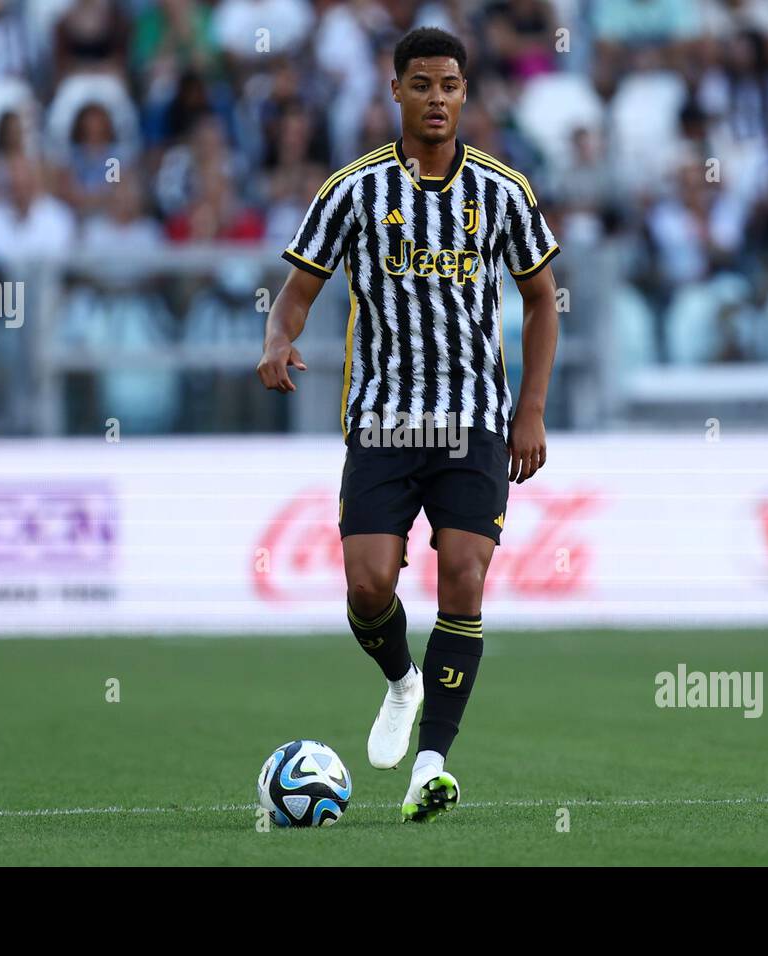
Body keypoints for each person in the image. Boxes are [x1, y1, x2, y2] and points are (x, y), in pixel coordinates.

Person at [256, 26, 561, 822]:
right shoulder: (354, 190)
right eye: (421, 84)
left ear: (467, 94)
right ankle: (401, 680)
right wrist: (278, 338)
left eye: (450, 86)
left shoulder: (502, 191)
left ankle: (431, 765)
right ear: (396, 91)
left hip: (475, 423)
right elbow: (297, 290)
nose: (436, 99)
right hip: (384, 422)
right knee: (367, 586)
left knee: (464, 576)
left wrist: (529, 407)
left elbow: (539, 298)